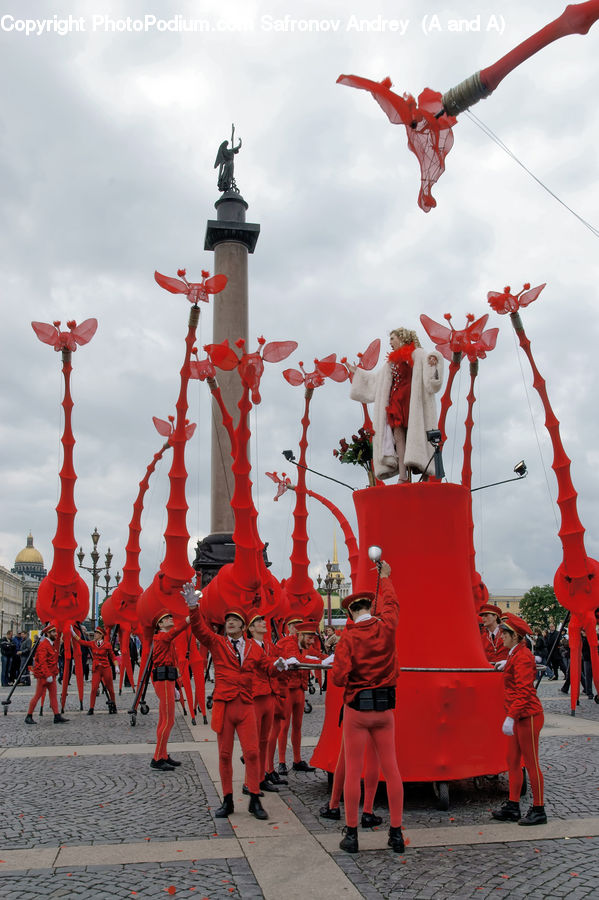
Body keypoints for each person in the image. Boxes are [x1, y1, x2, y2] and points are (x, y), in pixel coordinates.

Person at [182, 583, 288, 820]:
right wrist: (193, 607)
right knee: (224, 755)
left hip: (246, 705)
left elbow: (266, 667)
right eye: (227, 620)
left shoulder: (253, 647)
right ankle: (227, 799)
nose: (229, 622)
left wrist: (278, 667)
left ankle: (254, 799)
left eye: (234, 620)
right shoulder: (218, 643)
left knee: (252, 752)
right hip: (225, 705)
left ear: (243, 625)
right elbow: (199, 629)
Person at [331, 561, 405, 854]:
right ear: (370, 608)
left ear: (350, 612)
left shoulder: (347, 638)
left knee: (353, 771)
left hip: (357, 712)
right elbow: (392, 603)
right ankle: (396, 833)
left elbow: (337, 678)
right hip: (385, 710)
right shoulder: (387, 626)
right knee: (393, 769)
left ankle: (351, 835)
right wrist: (385, 577)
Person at [348, 328, 443, 481]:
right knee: (398, 435)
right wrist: (357, 372)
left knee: (416, 433)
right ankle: (403, 474)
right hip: (396, 401)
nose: (390, 342)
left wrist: (434, 361)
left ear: (402, 337)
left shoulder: (418, 354)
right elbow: (376, 381)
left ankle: (424, 470)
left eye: (392, 338)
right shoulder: (390, 362)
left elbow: (431, 378)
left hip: (413, 402)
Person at [491, 613, 547, 826]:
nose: (502, 636)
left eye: (505, 633)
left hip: (528, 716)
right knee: (512, 761)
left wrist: (511, 717)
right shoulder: (517, 654)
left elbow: (524, 691)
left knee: (531, 764)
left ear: (515, 636)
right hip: (519, 716)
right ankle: (513, 805)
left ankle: (539, 809)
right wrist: (508, 662)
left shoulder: (521, 656)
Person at [148, 610, 190, 772]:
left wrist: (176, 686)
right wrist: (187, 619)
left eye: (170, 617)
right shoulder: (162, 637)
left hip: (168, 680)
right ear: (159, 625)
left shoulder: (165, 639)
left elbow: (173, 662)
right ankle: (157, 757)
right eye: (165, 618)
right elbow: (175, 632)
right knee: (168, 720)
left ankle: (163, 754)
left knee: (163, 719)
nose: (170, 619)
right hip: (164, 680)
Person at [24, 623, 69, 724]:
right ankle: (29, 715)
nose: (56, 634)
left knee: (53, 696)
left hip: (50, 675)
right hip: (44, 676)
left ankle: (57, 715)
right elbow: (42, 661)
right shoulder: (44, 645)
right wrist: (47, 674)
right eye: (53, 632)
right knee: (37, 696)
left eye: (55, 632)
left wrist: (52, 673)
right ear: (48, 634)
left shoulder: (49, 644)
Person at [71, 625, 118, 714]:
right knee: (94, 688)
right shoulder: (92, 643)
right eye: (95, 633)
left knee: (110, 689)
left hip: (105, 668)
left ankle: (114, 705)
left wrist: (116, 666)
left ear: (101, 635)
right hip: (96, 669)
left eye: (97, 633)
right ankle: (91, 708)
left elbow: (112, 656)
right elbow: (81, 642)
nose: (95, 634)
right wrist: (73, 633)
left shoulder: (107, 645)